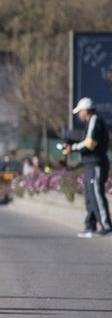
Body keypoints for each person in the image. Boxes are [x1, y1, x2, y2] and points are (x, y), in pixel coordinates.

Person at [61, 97, 110, 237]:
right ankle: (90, 225)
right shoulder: (91, 122)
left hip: (96, 163)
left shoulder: (95, 120)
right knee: (90, 196)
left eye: (80, 112)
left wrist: (73, 148)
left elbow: (90, 143)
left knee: (96, 194)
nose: (79, 115)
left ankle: (106, 225)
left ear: (85, 111)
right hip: (90, 164)